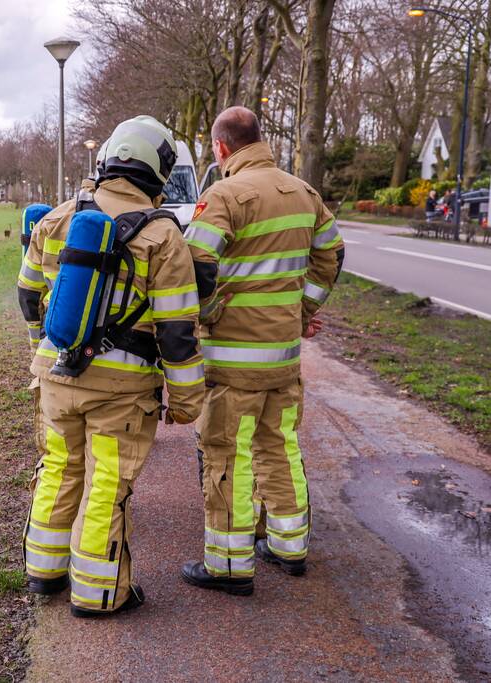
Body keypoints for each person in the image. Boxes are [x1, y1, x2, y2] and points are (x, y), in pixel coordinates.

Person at [18, 115, 205, 617]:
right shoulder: (164, 236)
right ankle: (100, 593)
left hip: (55, 377)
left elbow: (28, 292)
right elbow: (177, 330)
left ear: (107, 160)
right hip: (122, 389)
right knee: (106, 482)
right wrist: (186, 399)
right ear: (158, 169)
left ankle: (44, 570)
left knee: (58, 467)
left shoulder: (58, 217)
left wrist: (44, 349)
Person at [181, 106, 345, 595]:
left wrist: (207, 312)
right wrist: (300, 310)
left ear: (222, 148)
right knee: (281, 447)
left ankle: (229, 567)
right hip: (283, 357)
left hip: (231, 357)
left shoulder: (224, 194)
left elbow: (196, 262)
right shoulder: (304, 192)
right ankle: (289, 547)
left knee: (229, 453)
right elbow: (332, 255)